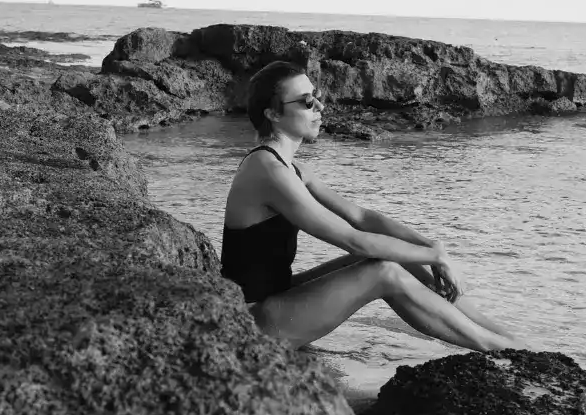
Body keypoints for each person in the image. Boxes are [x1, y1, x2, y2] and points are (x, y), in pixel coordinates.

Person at [221, 61, 520, 352]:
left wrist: (432, 247)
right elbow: (355, 241)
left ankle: (505, 337)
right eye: (306, 101)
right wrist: (435, 256)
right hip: (253, 323)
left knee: (399, 257)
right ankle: (497, 348)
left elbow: (361, 217)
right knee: (384, 271)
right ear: (273, 113)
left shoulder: (290, 168)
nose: (320, 108)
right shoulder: (268, 171)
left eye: (318, 97)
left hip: (276, 301)